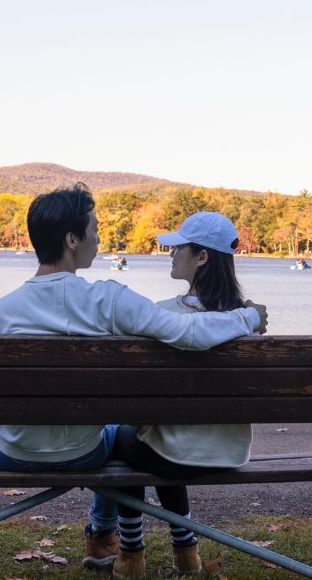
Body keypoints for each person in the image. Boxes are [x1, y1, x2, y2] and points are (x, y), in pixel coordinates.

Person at [0, 187, 268, 574]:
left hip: (15, 450)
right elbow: (187, 332)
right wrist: (248, 317)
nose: (100, 237)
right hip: (88, 452)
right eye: (95, 228)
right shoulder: (110, 300)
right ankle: (103, 538)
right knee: (117, 433)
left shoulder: (1, 312)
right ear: (71, 240)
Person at [110, 212, 257, 578]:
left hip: (171, 453)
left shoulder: (162, 316)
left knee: (122, 440)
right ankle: (186, 549)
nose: (171, 252)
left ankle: (131, 553)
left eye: (178, 247)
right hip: (228, 452)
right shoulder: (246, 320)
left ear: (202, 257)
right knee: (165, 440)